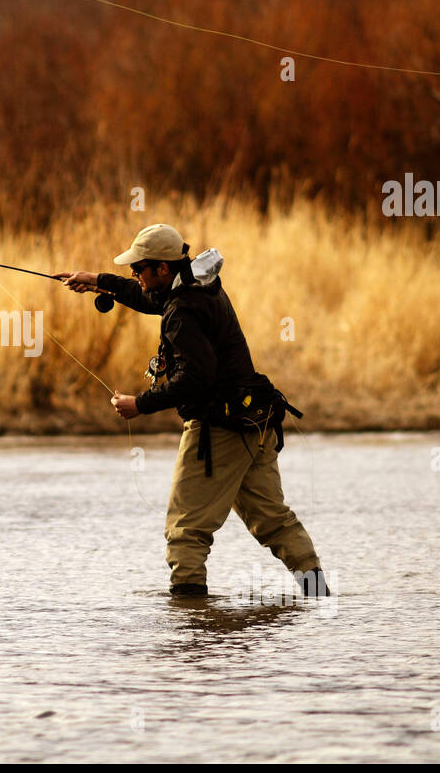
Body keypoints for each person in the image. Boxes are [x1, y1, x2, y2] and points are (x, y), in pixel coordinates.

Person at [59, 223, 330, 598]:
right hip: (255, 420)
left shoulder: (183, 309)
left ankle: (190, 619)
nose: (134, 274)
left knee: (184, 529)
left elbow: (195, 378)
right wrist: (97, 281)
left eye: (139, 267)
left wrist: (140, 404)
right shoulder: (197, 285)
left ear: (163, 268)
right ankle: (318, 596)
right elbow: (149, 299)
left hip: (219, 427)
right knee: (273, 521)